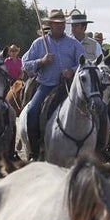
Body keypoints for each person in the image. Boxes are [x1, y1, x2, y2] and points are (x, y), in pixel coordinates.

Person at [21, 9, 84, 159]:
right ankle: (35, 150)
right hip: (46, 85)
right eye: (57, 23)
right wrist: (41, 62)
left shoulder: (74, 44)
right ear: (50, 24)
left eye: (62, 23)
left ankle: (100, 146)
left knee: (95, 107)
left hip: (70, 86)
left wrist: (72, 70)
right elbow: (25, 64)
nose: (61, 26)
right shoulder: (38, 43)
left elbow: (84, 63)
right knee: (32, 111)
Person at [68, 10, 110, 161]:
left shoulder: (94, 45)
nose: (73, 28)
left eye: (76, 26)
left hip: (90, 85)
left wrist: (101, 73)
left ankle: (103, 146)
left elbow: (101, 65)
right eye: (72, 25)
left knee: (105, 108)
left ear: (83, 27)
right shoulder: (66, 42)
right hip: (68, 83)